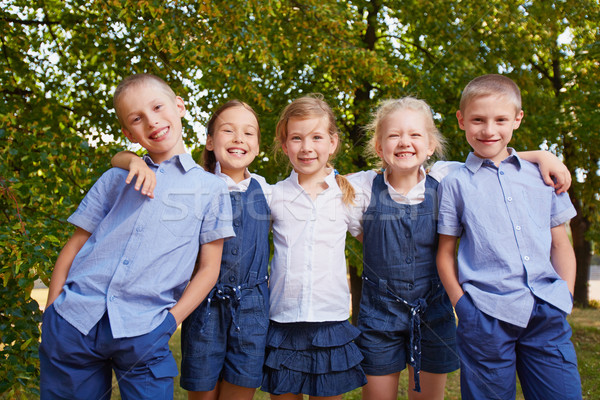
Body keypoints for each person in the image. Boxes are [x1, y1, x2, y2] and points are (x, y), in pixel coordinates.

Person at [348, 96, 571, 400]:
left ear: (430, 145)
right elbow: (322, 182)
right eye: (393, 135)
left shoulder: (447, 177)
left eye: (415, 135)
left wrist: (541, 155)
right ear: (378, 146)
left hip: (433, 311)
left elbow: (495, 157)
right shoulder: (359, 188)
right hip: (379, 315)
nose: (404, 142)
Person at [39, 73, 235, 400]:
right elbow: (74, 246)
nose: (152, 122)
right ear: (128, 132)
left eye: (158, 107)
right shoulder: (116, 177)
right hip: (75, 319)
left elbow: (209, 269)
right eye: (137, 119)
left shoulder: (212, 189)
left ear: (179, 106)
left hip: (146, 328)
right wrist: (52, 311)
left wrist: (168, 325)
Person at [112, 100, 271, 400]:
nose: (239, 138)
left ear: (258, 146)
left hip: (252, 310)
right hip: (204, 307)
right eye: (228, 130)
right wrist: (132, 160)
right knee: (202, 391)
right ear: (210, 141)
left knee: (240, 389)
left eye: (249, 133)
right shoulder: (194, 184)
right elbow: (121, 157)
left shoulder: (268, 190)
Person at [437, 74, 582, 400]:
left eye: (500, 119)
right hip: (485, 316)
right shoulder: (454, 182)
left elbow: (561, 244)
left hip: (547, 312)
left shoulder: (543, 175)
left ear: (517, 119)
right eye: (478, 120)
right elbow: (445, 252)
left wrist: (566, 297)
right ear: (461, 121)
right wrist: (464, 307)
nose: (489, 130)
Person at [261, 94, 367, 400]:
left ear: (332, 143)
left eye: (317, 137)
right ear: (284, 145)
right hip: (283, 321)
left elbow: (376, 242)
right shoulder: (273, 195)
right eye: (296, 138)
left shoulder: (348, 195)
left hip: (330, 321)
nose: (307, 147)